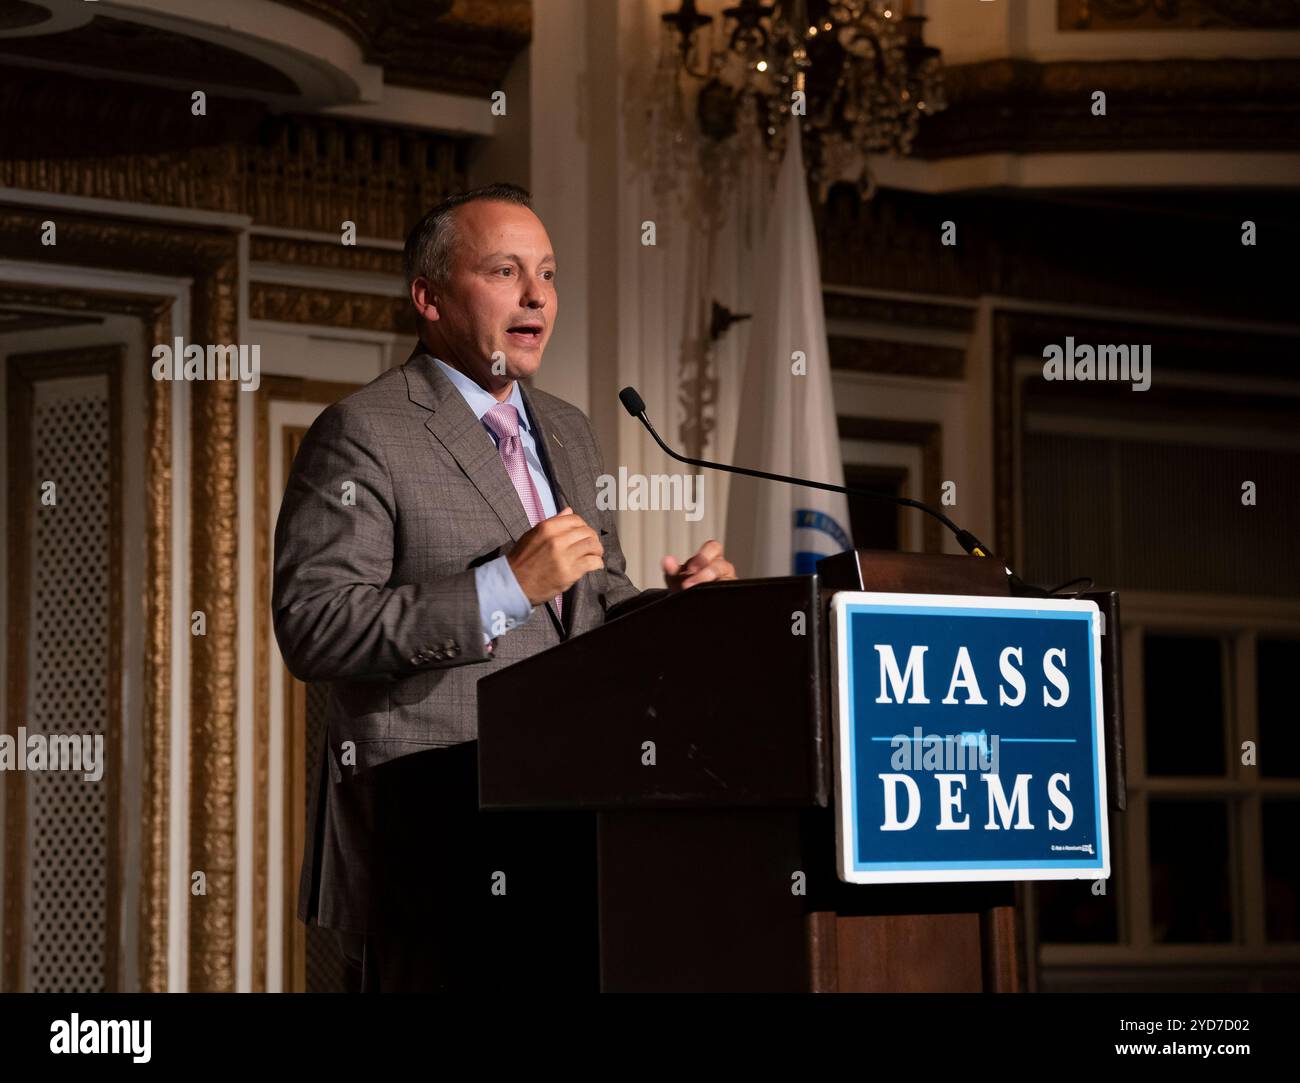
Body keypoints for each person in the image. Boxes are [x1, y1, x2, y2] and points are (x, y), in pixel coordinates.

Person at [272, 182, 736, 991]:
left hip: (573, 826)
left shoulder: (569, 430)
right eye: (504, 271)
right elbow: (315, 625)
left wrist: (677, 614)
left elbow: (592, 606)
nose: (537, 296)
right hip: (429, 844)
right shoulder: (364, 431)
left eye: (548, 273)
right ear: (429, 298)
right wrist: (503, 586)